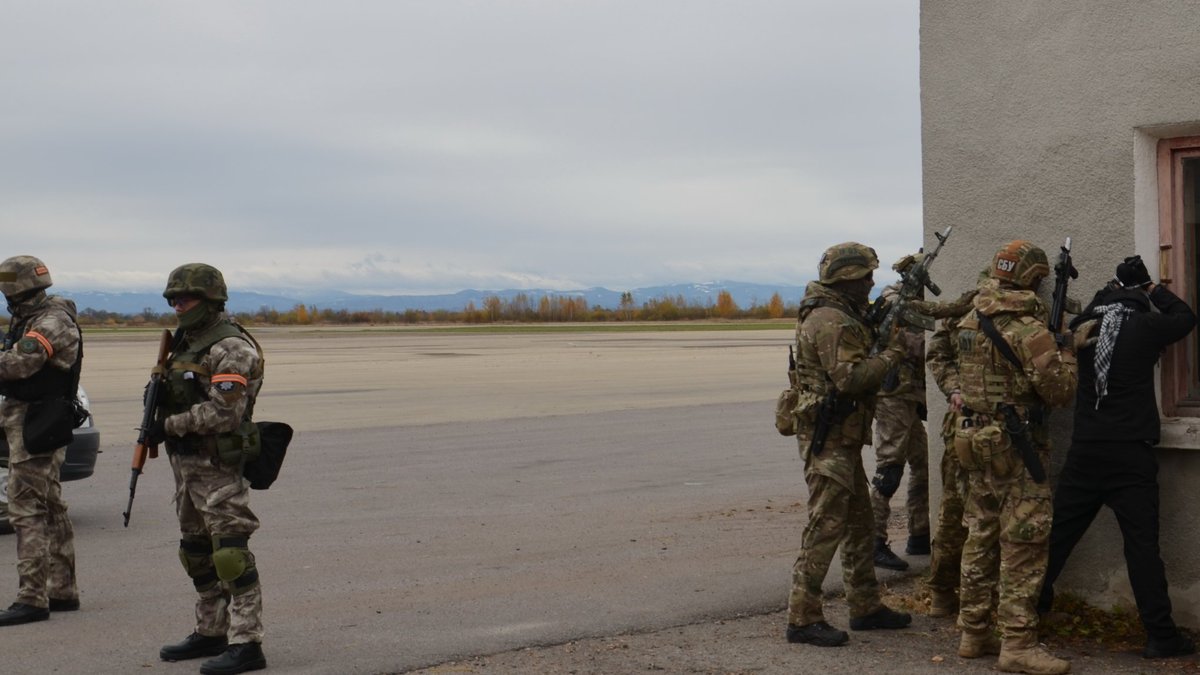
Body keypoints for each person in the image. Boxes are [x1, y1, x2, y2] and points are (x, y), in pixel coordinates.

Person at [1038, 255, 1197, 660]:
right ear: (1140, 298)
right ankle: (1161, 636)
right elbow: (1184, 316)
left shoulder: (1084, 328)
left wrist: (1108, 290)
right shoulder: (1146, 324)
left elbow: (1089, 311)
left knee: (1057, 538)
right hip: (1130, 453)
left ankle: (1027, 611)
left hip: (1087, 448)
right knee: (1142, 547)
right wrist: (1151, 289)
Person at [946, 240, 1078, 674]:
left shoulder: (969, 320)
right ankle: (1018, 644)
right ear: (1030, 279)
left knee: (980, 536)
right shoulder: (1026, 330)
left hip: (977, 443)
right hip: (1018, 448)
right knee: (1024, 541)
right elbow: (1059, 393)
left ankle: (973, 633)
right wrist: (1068, 352)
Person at [785, 242, 913, 647]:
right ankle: (802, 617)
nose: (871, 283)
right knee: (826, 526)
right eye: (865, 277)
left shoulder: (842, 314)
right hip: (830, 441)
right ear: (846, 279)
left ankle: (865, 606)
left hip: (843, 438)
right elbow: (851, 380)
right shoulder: (830, 320)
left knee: (858, 523)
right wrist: (893, 355)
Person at [146, 263, 269, 675]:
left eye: (186, 298)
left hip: (218, 463)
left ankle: (247, 642)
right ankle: (210, 630)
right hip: (187, 465)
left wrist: (168, 425)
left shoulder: (231, 347)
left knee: (230, 553)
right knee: (195, 552)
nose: (177, 306)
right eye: (173, 299)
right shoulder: (186, 342)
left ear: (212, 300)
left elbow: (224, 413)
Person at [0, 256, 82, 626]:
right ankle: (61, 590)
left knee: (26, 509)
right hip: (31, 419)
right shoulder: (29, 318)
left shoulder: (50, 321)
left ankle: (32, 598)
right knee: (49, 505)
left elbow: (19, 364)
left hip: (37, 422)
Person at [921, 283, 982, 618]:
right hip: (962, 427)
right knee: (954, 513)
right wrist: (954, 388)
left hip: (998, 431)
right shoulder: (967, 312)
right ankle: (943, 591)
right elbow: (938, 353)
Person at [870, 254, 930, 572]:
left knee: (923, 462)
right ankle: (872, 542)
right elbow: (904, 341)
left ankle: (920, 533)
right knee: (890, 467)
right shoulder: (895, 299)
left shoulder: (916, 300)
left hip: (908, 396)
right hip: (892, 394)